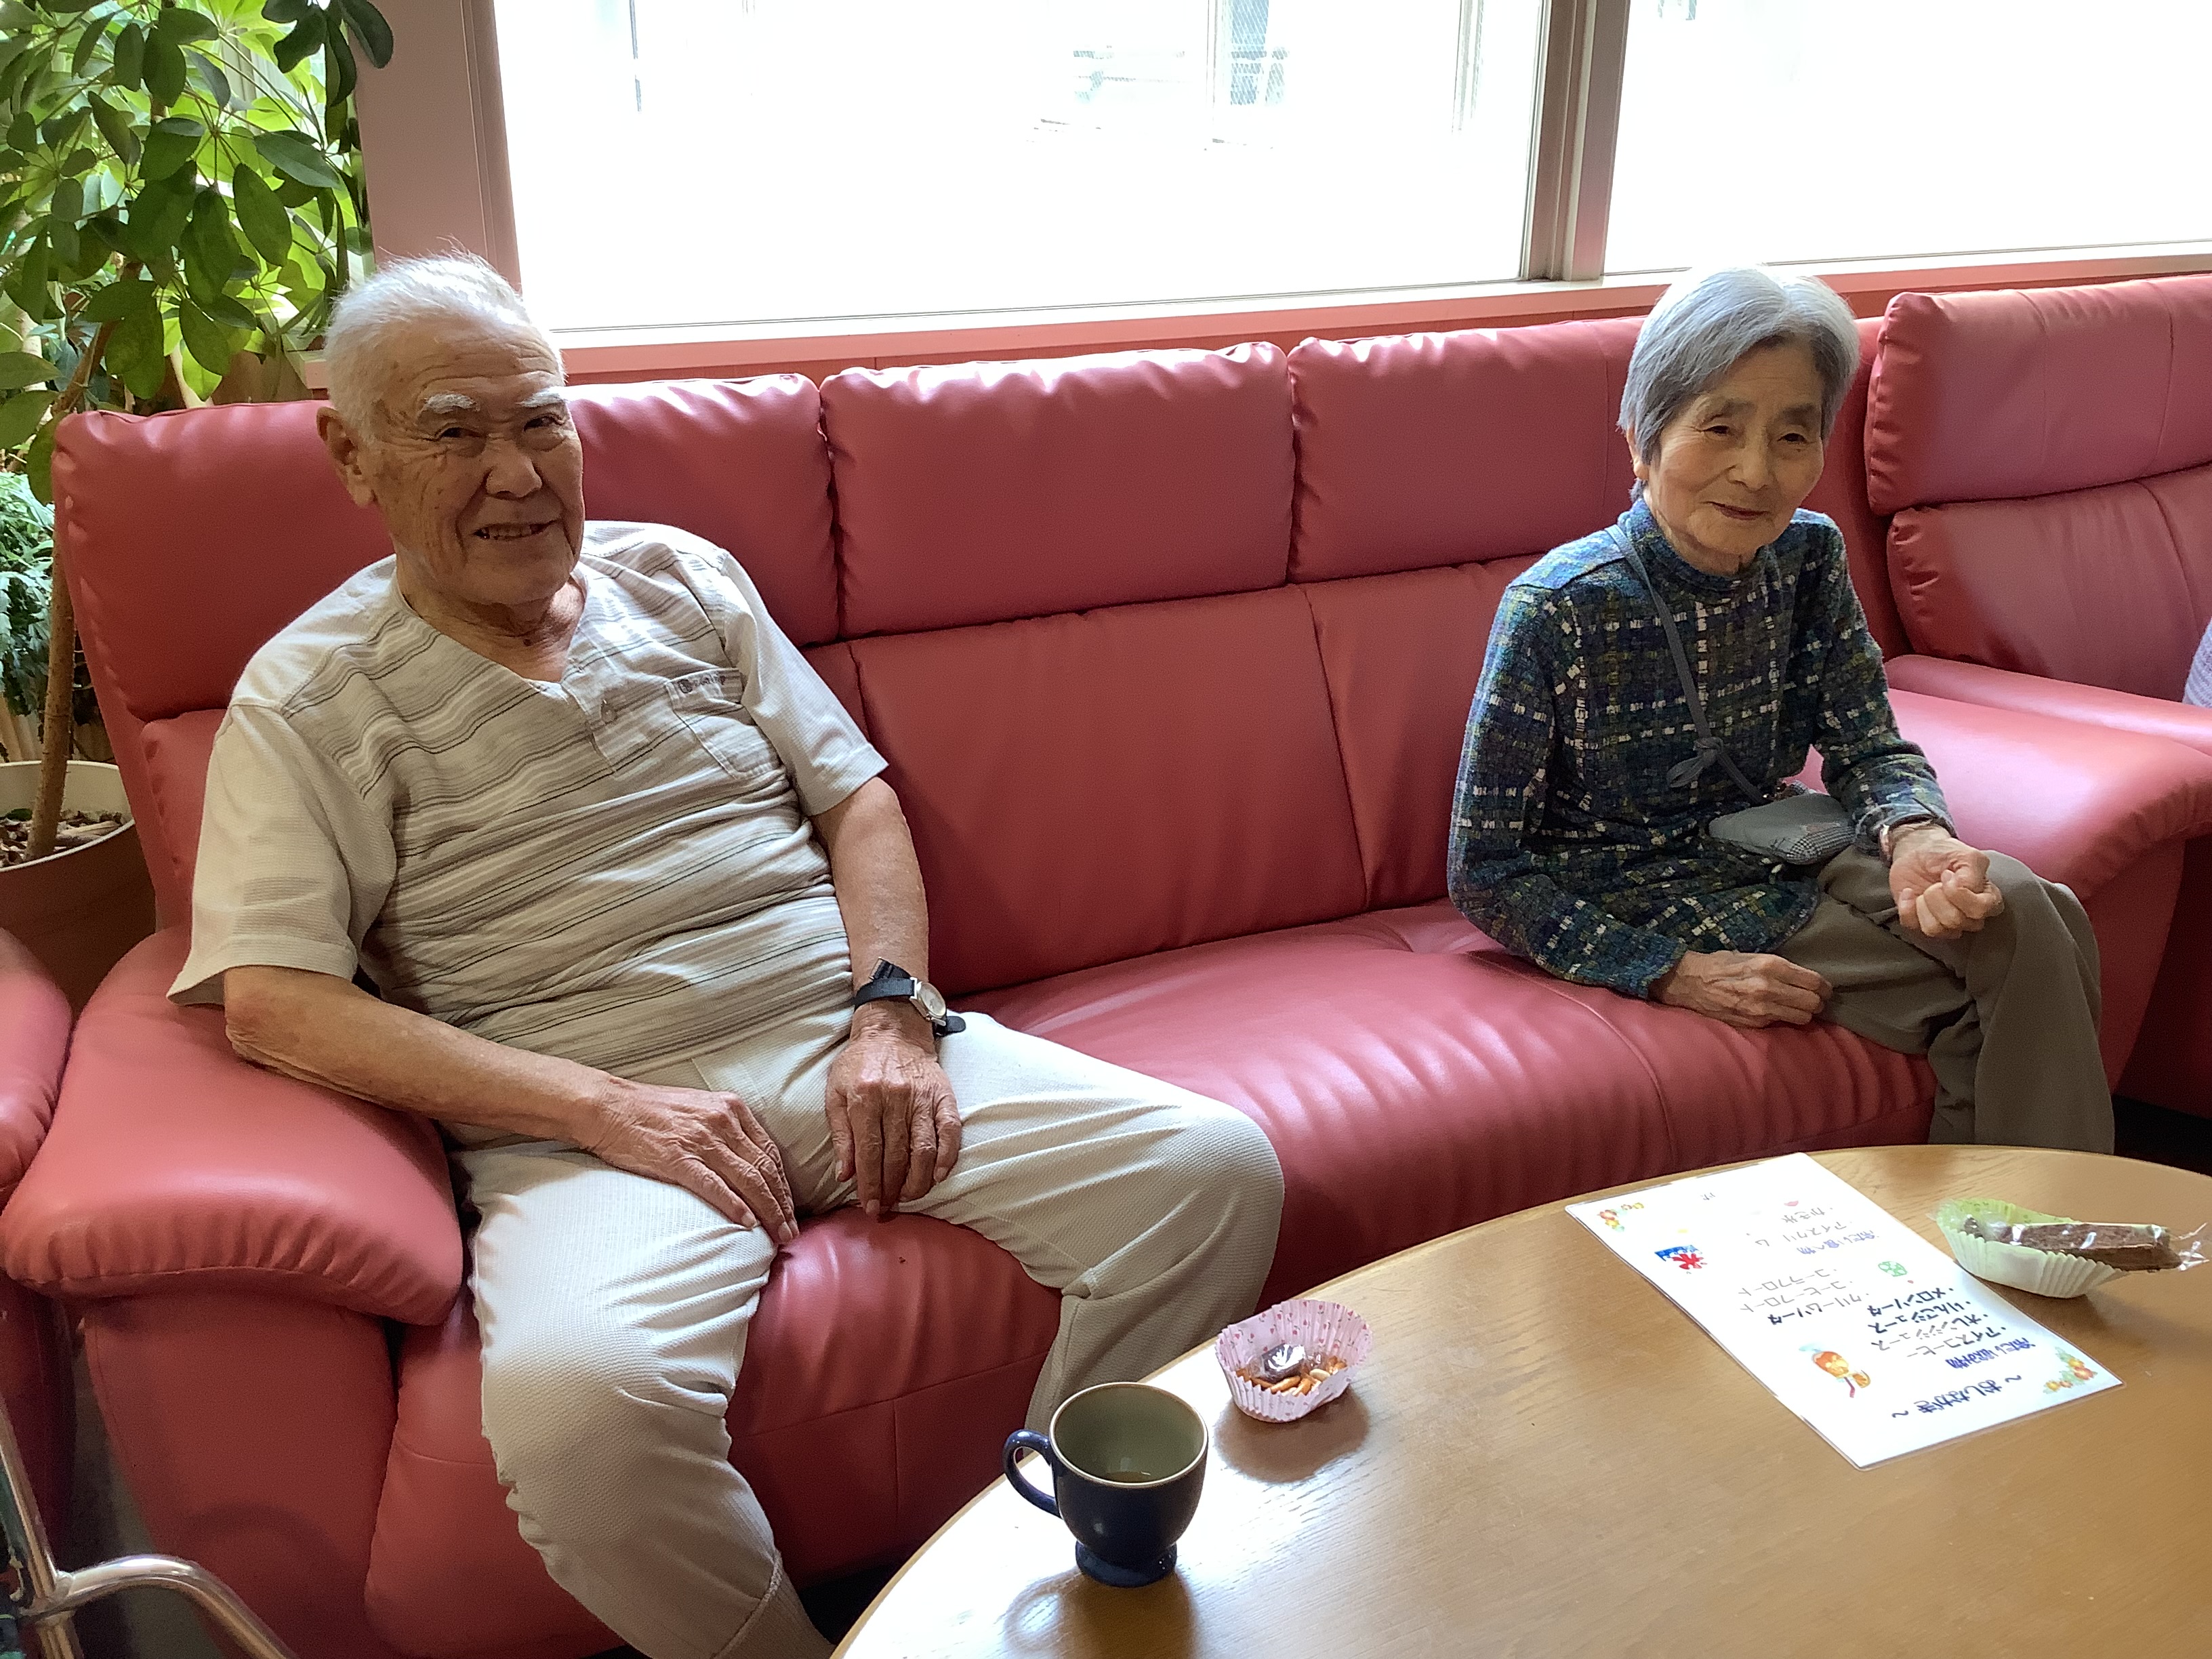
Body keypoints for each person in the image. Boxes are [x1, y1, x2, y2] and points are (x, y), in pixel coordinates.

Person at [173, 254, 1284, 1659]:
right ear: (352, 457)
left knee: (1210, 1174)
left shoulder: (682, 577)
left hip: (836, 1041)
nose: (519, 474)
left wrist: (890, 1019)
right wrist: (602, 1108)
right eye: (455, 432)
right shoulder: (307, 695)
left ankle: (1021, 1580)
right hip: (592, 1127)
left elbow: (856, 800)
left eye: (543, 420)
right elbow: (275, 1002)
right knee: (580, 1421)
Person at [1448, 266, 2112, 1155]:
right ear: (1643, 438)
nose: (1757, 472)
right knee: (1997, 977)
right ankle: (2038, 1226)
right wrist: (1669, 973)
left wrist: (1916, 835)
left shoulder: (1809, 556)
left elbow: (1868, 744)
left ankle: (2026, 1222)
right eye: (1719, 427)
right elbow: (1486, 871)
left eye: (1793, 435)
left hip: (1784, 838)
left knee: (2018, 904)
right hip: (1643, 886)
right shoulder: (1558, 608)